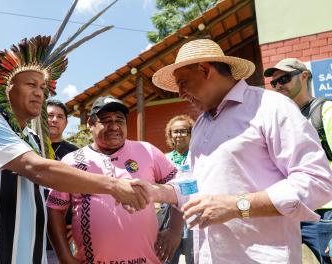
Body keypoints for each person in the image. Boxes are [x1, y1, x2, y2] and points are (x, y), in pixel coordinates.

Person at [0, 2, 149, 262]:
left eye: (43, 87)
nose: (39, 92)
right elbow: (37, 169)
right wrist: (113, 186)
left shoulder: (33, 139)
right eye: (31, 84)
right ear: (7, 86)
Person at [140, 39, 332, 263]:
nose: (180, 93)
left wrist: (236, 206)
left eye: (182, 82)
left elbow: (316, 181)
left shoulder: (271, 107)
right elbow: (192, 185)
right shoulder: (201, 124)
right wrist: (155, 192)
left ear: (205, 70)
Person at [46, 96, 182, 264]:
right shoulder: (73, 160)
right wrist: (65, 257)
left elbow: (181, 185)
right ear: (90, 123)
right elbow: (54, 210)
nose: (115, 126)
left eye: (120, 120)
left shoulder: (147, 151)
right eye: (106, 120)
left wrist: (175, 231)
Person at [264, 58, 332, 264]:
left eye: (284, 79)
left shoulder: (326, 112)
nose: (278, 86)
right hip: (291, 214)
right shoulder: (280, 119)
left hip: (325, 216)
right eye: (274, 83)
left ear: (304, 76)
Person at [159, 114, 195, 264]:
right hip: (168, 215)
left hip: (192, 213)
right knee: (166, 257)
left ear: (190, 134)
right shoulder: (163, 158)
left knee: (193, 257)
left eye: (183, 131)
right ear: (170, 135)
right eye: (175, 131)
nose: (179, 135)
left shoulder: (197, 157)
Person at [46, 99, 78, 262]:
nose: (54, 120)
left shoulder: (75, 153)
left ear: (66, 122)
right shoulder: (29, 147)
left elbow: (82, 192)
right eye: (50, 115)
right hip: (28, 231)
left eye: (60, 117)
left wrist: (76, 223)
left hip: (61, 238)